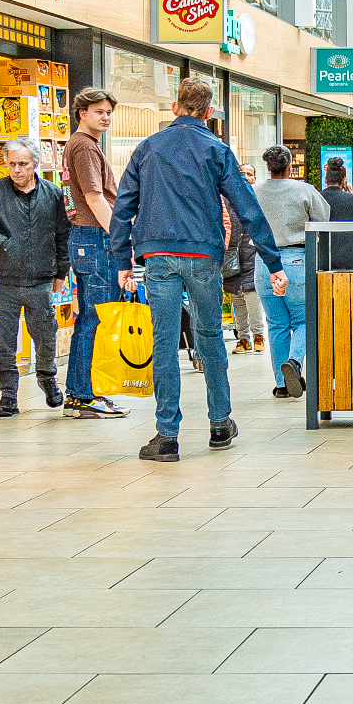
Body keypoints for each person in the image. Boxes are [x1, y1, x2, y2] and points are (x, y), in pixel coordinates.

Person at [109, 77, 288, 462]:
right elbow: (248, 208)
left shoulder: (147, 148)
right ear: (209, 112)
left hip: (157, 256)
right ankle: (220, 422)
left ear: (175, 107)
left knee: (164, 341)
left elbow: (123, 206)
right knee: (209, 337)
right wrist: (272, 262)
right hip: (204, 257)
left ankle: (167, 435)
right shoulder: (216, 149)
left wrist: (120, 260)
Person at [0, 137, 70, 417]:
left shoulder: (52, 194)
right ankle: (8, 396)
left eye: (23, 164)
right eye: (12, 164)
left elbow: (63, 236)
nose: (16, 170)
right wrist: (4, 243)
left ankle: (48, 379)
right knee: (3, 340)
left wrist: (61, 271)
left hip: (40, 279)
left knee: (46, 335)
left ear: (34, 164)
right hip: (4, 279)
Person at [61, 87, 129, 418]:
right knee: (96, 319)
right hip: (95, 238)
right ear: (81, 114)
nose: (105, 117)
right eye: (98, 111)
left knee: (90, 317)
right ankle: (83, 395)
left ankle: (80, 394)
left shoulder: (80, 145)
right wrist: (120, 237)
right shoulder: (85, 147)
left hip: (86, 238)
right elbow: (94, 197)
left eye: (108, 112)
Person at [253, 144, 327, 399]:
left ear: (268, 166)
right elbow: (324, 216)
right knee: (304, 319)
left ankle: (281, 384)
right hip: (297, 260)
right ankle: (295, 362)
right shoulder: (304, 189)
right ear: (290, 165)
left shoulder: (255, 191)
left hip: (264, 262)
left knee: (276, 324)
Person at [225, 163, 267, 354]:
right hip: (232, 252)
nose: (246, 177)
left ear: (255, 178)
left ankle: (259, 335)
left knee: (251, 293)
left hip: (252, 250)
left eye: (250, 174)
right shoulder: (228, 198)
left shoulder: (258, 197)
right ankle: (243, 338)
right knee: (237, 296)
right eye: (242, 173)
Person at [319, 158, 353, 271]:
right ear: (344, 180)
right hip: (352, 257)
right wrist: (352, 195)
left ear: (326, 179)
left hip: (325, 257)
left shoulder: (318, 198)